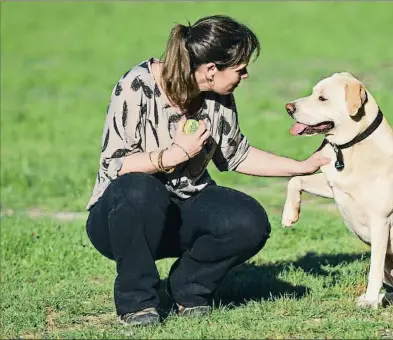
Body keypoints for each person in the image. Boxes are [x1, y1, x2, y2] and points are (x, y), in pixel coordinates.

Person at [85, 14, 329, 327]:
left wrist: (301, 167)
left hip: (180, 209)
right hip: (119, 219)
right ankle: (138, 302)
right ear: (211, 70)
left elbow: (236, 154)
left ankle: (188, 288)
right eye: (240, 69)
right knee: (138, 188)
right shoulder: (136, 85)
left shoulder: (218, 96)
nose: (245, 75)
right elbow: (115, 164)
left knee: (248, 220)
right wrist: (175, 154)